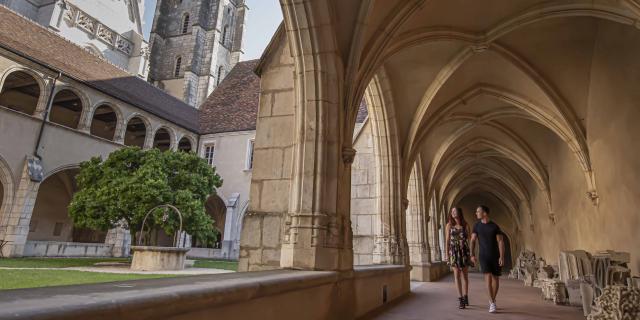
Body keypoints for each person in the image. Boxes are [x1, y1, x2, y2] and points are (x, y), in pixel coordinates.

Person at [470, 205, 505, 313]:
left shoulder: (495, 226)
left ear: (484, 213)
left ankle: (492, 301)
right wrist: (472, 255)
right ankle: (492, 302)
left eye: (478, 211)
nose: (476, 213)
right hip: (483, 256)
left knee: (496, 279)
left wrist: (501, 256)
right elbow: (472, 241)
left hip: (495, 256)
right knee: (488, 278)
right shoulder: (476, 226)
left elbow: (500, 242)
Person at [444, 207, 472, 309]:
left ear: (459, 212)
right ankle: (460, 299)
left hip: (464, 251)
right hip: (454, 252)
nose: (453, 213)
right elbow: (447, 241)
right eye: (452, 212)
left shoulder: (466, 225)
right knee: (456, 275)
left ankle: (465, 296)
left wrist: (471, 254)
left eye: (455, 211)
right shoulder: (449, 225)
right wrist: (447, 255)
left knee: (465, 276)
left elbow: (470, 241)